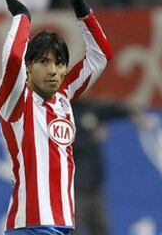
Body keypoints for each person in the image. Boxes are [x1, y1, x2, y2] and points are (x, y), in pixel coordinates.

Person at [0, 0, 112, 234]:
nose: (53, 70)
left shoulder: (64, 96)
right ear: (29, 66)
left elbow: (101, 55)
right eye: (43, 62)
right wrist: (22, 17)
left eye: (59, 63)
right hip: (31, 226)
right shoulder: (16, 102)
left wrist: (83, 12)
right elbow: (13, 58)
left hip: (63, 225)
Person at [70, 98, 133, 235]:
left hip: (95, 187)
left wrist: (132, 112)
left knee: (101, 229)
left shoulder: (90, 108)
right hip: (75, 189)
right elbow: (67, 145)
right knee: (72, 229)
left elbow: (110, 109)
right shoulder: (64, 112)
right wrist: (91, 138)